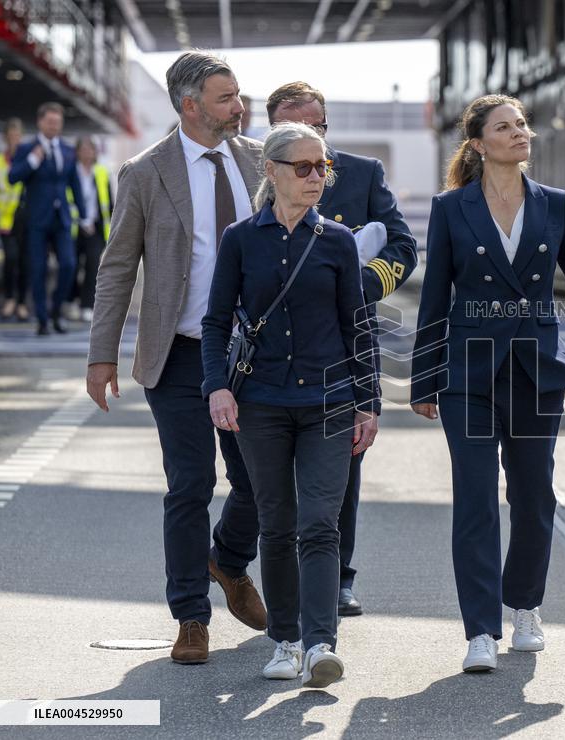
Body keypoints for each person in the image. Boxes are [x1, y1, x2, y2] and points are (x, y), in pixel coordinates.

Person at [409, 94, 565, 673]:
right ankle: (479, 630)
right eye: (505, 127)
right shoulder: (451, 209)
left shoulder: (555, 204)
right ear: (478, 143)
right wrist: (424, 379)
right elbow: (434, 299)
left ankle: (524, 605)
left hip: (535, 371)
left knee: (533, 495)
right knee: (474, 501)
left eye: (522, 124)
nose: (520, 133)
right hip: (467, 373)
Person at [87, 51, 267, 665]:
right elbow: (117, 268)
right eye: (226, 97)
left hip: (252, 356)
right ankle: (191, 616)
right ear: (190, 105)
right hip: (181, 354)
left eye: (238, 95)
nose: (239, 107)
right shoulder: (145, 172)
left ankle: (228, 562)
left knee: (258, 484)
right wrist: (101, 354)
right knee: (189, 485)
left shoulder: (258, 161)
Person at [202, 121, 379, 688]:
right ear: (272, 172)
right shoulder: (240, 239)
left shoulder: (337, 242)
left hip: (329, 400)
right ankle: (284, 640)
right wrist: (217, 386)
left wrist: (368, 402)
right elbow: (213, 324)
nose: (315, 178)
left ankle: (320, 644)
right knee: (276, 526)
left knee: (319, 525)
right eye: (302, 167)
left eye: (321, 167)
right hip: (260, 404)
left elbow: (358, 327)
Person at [266, 81, 418, 617]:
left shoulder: (362, 173)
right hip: (267, 348)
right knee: (266, 475)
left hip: (341, 340)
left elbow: (402, 246)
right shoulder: (252, 171)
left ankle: (339, 576)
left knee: (342, 464)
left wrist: (361, 286)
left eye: (318, 127)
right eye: (295, 127)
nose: (311, 142)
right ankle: (272, 573)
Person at [8, 102, 86, 335]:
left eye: (57, 122)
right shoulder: (27, 148)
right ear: (41, 122)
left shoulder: (67, 149)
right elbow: (13, 177)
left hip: (61, 217)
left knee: (69, 264)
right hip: (36, 219)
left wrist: (84, 215)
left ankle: (55, 311)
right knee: (38, 269)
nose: (54, 126)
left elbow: (74, 183)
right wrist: (32, 161)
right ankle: (43, 319)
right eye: (50, 122)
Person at [70, 137, 113, 322]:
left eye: (90, 149)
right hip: (74, 227)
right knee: (71, 266)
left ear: (95, 152)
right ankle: (71, 299)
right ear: (77, 152)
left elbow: (109, 203)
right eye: (84, 149)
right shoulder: (70, 172)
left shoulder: (102, 172)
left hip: (96, 228)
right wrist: (80, 221)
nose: (87, 152)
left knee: (92, 266)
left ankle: (87, 305)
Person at [0, 118, 28, 321]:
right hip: (5, 221)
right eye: (11, 136)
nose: (14, 140)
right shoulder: (1, 162)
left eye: (18, 137)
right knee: (11, 258)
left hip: (25, 219)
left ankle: (21, 302)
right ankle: (10, 297)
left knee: (25, 262)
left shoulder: (27, 162)